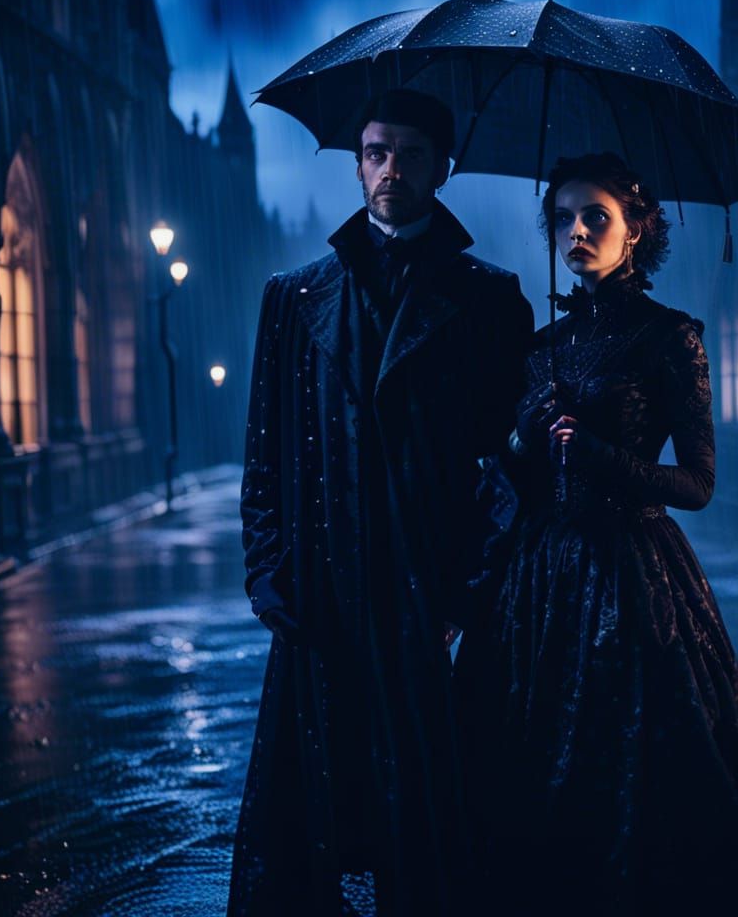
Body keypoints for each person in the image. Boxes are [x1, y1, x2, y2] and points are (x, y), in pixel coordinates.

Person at [461, 152, 738, 916]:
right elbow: (511, 478)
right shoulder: (541, 349)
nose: (576, 232)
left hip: (632, 581)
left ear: (637, 230)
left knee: (638, 777)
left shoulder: (669, 338)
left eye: (596, 216)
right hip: (537, 586)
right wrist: (522, 440)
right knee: (528, 775)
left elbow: (698, 485)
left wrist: (600, 457)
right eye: (562, 218)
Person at [227, 89, 534, 917]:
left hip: (424, 591)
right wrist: (267, 574)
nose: (390, 169)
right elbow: (264, 451)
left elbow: (508, 468)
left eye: (410, 154)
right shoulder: (294, 298)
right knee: (307, 821)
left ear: (443, 168)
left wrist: (468, 593)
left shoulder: (490, 299)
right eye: (376, 152)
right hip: (320, 589)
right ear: (358, 164)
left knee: (428, 821)